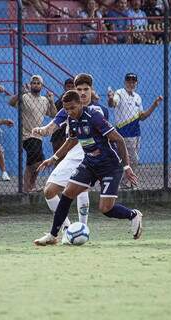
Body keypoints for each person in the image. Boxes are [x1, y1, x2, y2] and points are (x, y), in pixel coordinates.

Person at [34, 90, 143, 246]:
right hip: (90, 164)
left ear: (80, 104)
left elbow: (118, 139)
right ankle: (53, 235)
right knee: (67, 194)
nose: (69, 112)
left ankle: (133, 215)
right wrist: (53, 158)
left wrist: (126, 167)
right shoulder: (71, 119)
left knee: (106, 209)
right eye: (66, 109)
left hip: (110, 166)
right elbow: (72, 141)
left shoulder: (94, 117)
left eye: (72, 107)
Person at [32, 74, 108, 230]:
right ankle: (68, 228)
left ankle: (83, 228)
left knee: (81, 188)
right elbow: (51, 128)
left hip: (90, 153)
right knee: (49, 191)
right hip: (72, 152)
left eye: (86, 89)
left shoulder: (99, 110)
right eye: (79, 89)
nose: (82, 93)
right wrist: (42, 130)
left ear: (92, 90)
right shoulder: (68, 109)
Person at [107, 73, 163, 188]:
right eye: (129, 81)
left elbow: (142, 116)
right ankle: (124, 182)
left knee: (128, 159)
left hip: (136, 134)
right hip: (124, 133)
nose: (131, 84)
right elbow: (113, 104)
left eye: (133, 81)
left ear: (136, 83)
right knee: (133, 160)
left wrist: (154, 105)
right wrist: (111, 98)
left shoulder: (137, 97)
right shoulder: (119, 93)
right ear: (125, 82)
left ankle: (126, 181)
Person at [9, 75, 57, 192]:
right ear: (30, 85)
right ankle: (27, 187)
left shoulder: (44, 100)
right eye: (33, 83)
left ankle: (29, 187)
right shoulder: (25, 97)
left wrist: (51, 101)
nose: (35, 85)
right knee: (36, 163)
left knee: (33, 164)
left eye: (38, 83)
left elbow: (53, 115)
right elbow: (10, 102)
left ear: (41, 86)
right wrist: (19, 93)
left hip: (38, 136)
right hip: (27, 135)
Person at [50, 78, 74, 156]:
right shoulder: (61, 101)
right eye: (68, 87)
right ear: (64, 87)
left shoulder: (78, 101)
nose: (70, 89)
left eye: (72, 87)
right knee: (58, 159)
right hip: (59, 135)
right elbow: (55, 116)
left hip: (71, 134)